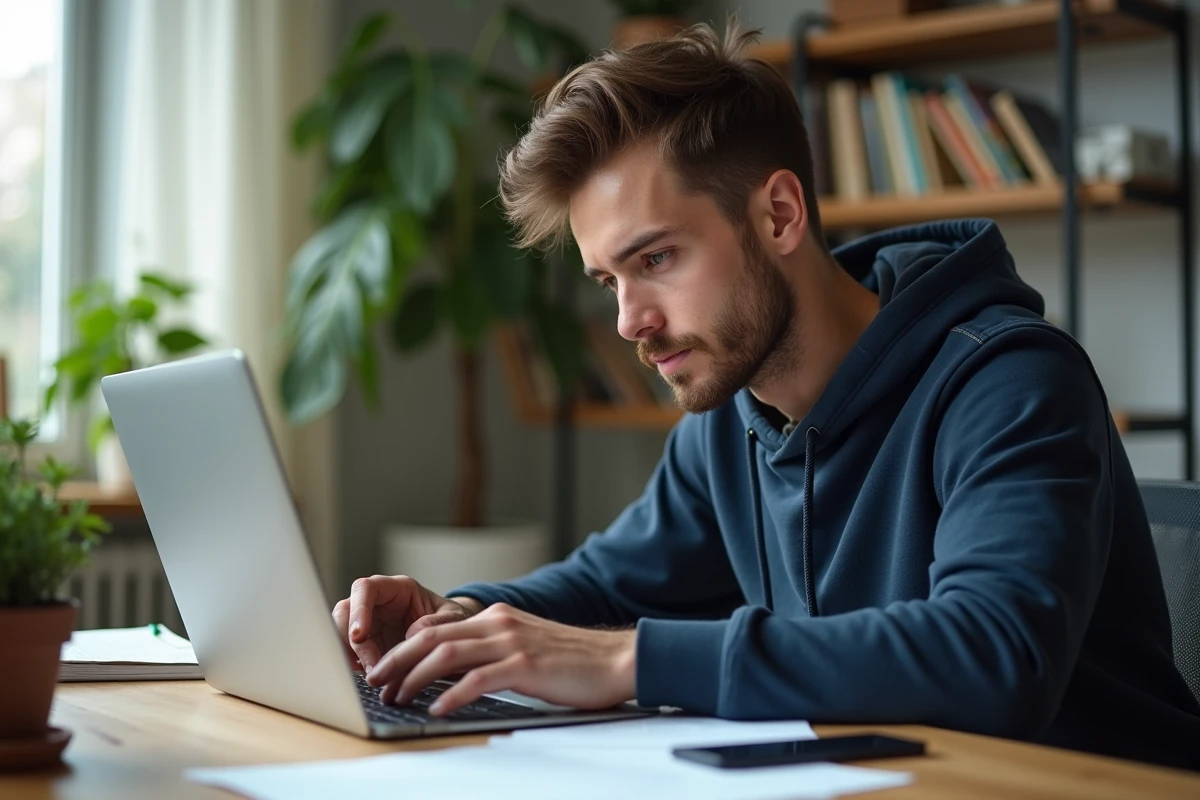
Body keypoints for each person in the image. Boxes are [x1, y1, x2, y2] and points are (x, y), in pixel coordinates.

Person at [332, 20, 1200, 770]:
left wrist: (631, 661)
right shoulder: (731, 413)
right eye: (609, 280)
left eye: (657, 259)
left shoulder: (1008, 381)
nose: (631, 321)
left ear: (780, 215)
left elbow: (994, 655)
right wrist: (461, 618)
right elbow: (603, 587)